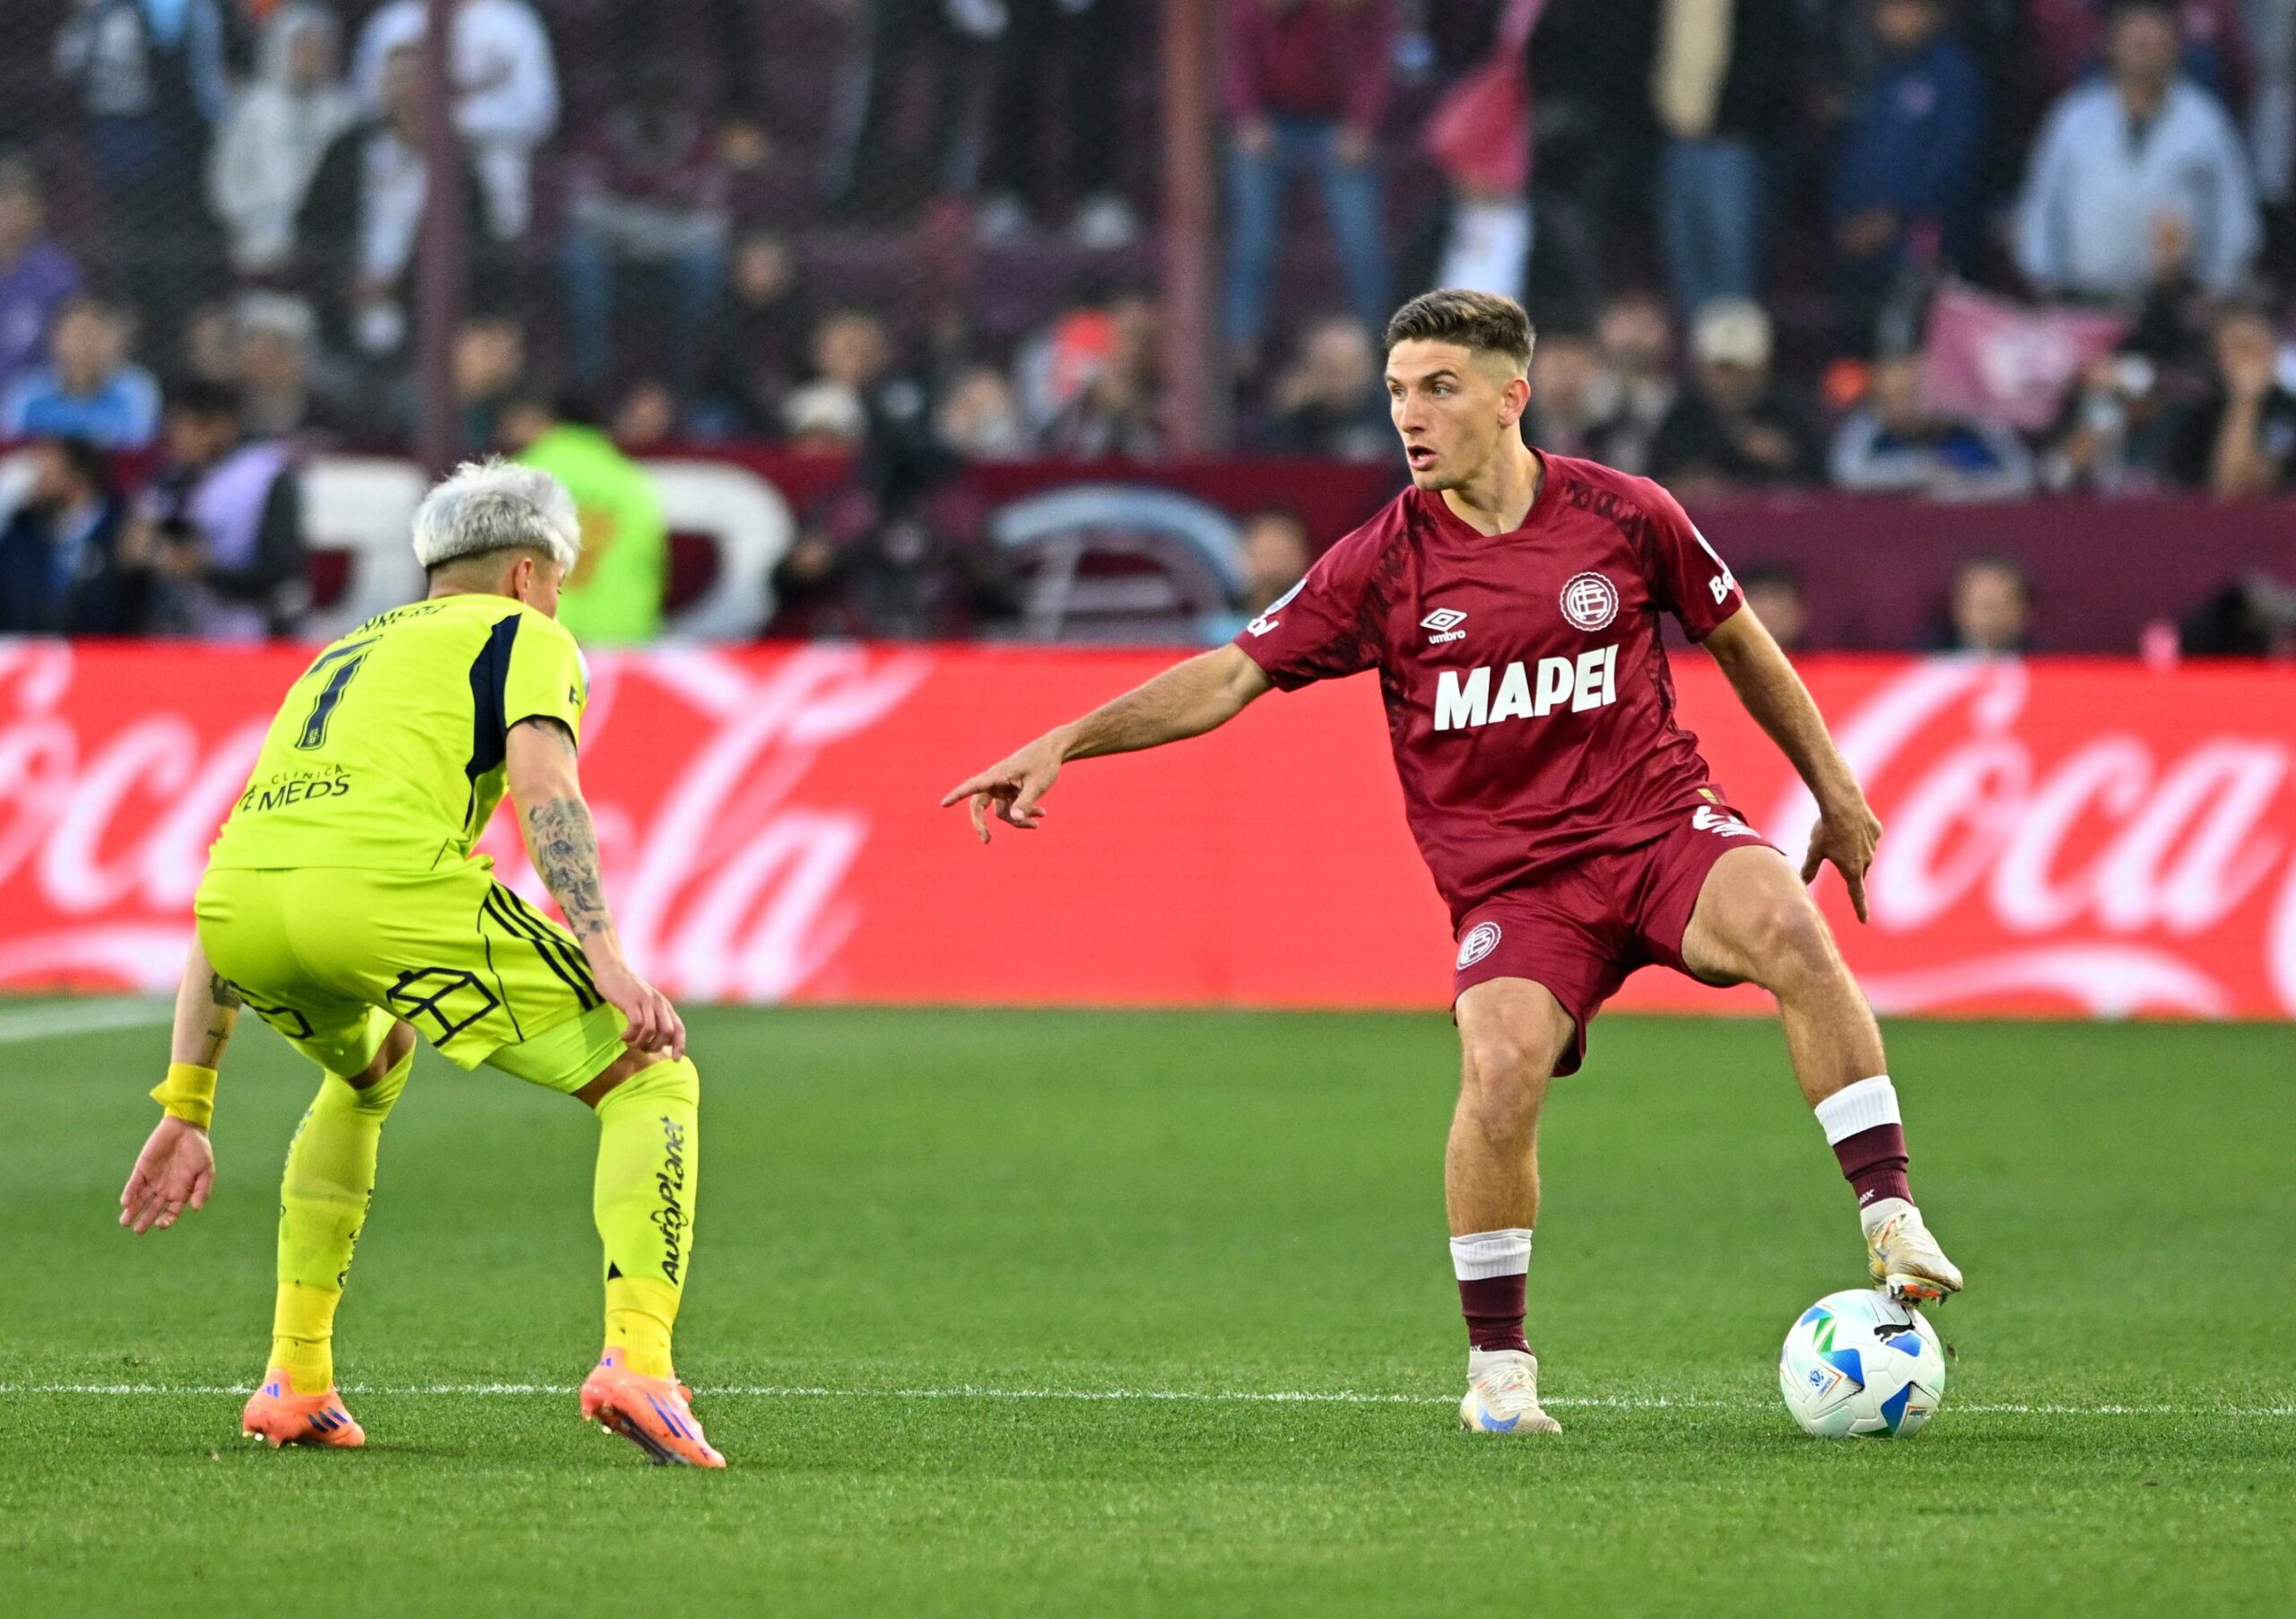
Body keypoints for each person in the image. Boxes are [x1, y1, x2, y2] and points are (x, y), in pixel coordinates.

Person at [942, 289, 1963, 1434]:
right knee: (1498, 1065)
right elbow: (1230, 674)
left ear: (1509, 397)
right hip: (1517, 889)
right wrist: (1068, 739)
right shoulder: (1382, 561)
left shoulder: (1625, 515)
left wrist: (1836, 788)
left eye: (1437, 388)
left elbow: (1741, 640)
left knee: (1786, 922)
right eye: (1394, 393)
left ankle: (1887, 1213)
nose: (1408, 417)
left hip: (1657, 828)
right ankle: (1498, 1371)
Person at [116, 460, 721, 1467]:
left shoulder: (338, 653)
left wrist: (189, 1102)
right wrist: (604, 955)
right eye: (557, 581)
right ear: (529, 574)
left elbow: (248, 860)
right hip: (383, 893)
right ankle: (640, 1363)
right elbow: (545, 783)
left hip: (242, 908)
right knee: (651, 1073)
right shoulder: (526, 633)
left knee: (371, 1064)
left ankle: (294, 1379)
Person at [2015, 0, 2261, 302]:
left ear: (2176, 43)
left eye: (2155, 33)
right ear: (2110, 43)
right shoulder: (2074, 119)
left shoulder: (2206, 123)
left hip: (2174, 305)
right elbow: (2040, 210)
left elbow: (2235, 220)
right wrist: (2045, 283)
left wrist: (2216, 290)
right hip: (2081, 302)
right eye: (2133, 35)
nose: (2144, 44)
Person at [296, 43, 506, 364]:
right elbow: (310, 227)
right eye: (400, 79)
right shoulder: (347, 151)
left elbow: (478, 253)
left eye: (420, 80)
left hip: (425, 337)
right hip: (337, 324)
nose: (409, 91)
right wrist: (343, 283)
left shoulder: (458, 166)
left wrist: (399, 289)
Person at [1222, 0, 1397, 365]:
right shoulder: (1247, 10)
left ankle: (1382, 345)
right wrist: (1247, 119)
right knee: (1254, 239)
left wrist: (1361, 127)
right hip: (1269, 122)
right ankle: (1241, 349)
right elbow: (1234, 66)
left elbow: (1374, 68)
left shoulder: (1360, 10)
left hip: (1337, 124)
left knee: (1361, 241)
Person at [52, 0, 229, 350]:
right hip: (159, 168)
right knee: (158, 281)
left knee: (145, 279)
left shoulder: (102, 15)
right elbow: (204, 95)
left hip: (126, 169)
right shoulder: (142, 12)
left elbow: (67, 68)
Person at [558, 57, 733, 392]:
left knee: (707, 261)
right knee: (579, 255)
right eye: (646, 104)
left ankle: (686, 375)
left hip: (674, 252)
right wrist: (656, 220)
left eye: (663, 104)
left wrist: (640, 222)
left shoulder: (699, 145)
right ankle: (591, 377)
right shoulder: (602, 139)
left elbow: (713, 223)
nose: (654, 113)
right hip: (614, 250)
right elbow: (582, 209)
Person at [1828, 0, 1985, 347]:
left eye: (1904, 8)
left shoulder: (1954, 75)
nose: (1893, 18)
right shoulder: (1875, 72)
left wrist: (1891, 217)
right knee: (1856, 357)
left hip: (1919, 252)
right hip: (1860, 251)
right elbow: (1855, 158)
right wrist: (1845, 218)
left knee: (1903, 350)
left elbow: (1953, 165)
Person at [351, 0, 559, 240]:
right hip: (399, 173)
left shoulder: (511, 21)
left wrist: (448, 119)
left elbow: (539, 112)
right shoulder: (393, 21)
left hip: (492, 181)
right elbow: (364, 103)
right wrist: (411, 116)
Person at [1651, 0, 1802, 317]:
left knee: (1733, 269)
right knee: (1686, 264)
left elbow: (1774, 54)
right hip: (1676, 141)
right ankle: (1699, 361)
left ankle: (1737, 360)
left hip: (1733, 144)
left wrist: (1741, 120)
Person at [129, 379, 307, 640]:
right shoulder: (168, 479)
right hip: (178, 636)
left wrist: (203, 571)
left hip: (248, 637)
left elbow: (279, 572)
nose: (177, 438)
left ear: (221, 426)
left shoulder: (266, 477)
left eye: (189, 426)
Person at [503, 390, 667, 646]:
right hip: (619, 643)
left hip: (538, 640)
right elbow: (653, 563)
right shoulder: (629, 480)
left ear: (547, 420)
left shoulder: (521, 475)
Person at [206, 3, 359, 279]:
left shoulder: (343, 112)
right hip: (256, 241)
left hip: (324, 246)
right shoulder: (252, 109)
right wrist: (253, 223)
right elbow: (226, 180)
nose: (309, 58)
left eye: (317, 49)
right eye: (301, 48)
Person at [1648, 298, 1824, 491]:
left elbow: (1822, 485)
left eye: (1743, 369)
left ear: (1763, 368)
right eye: (1722, 369)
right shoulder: (1680, 419)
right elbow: (1653, 485)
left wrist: (1785, 460)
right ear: (1699, 367)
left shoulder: (1789, 414)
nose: (1731, 381)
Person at [1830, 353, 2037, 499]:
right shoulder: (1876, 436)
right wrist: (1924, 471)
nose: (1908, 408)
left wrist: (1955, 486)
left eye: (1915, 395)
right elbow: (1846, 473)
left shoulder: (1972, 426)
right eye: (1893, 399)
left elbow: (2022, 476)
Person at [0, 435, 137, 634]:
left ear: (77, 472)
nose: (36, 477)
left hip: (106, 656)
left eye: (46, 469)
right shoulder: (21, 534)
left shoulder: (124, 529)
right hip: (31, 657)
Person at [2164, 302, 2296, 494]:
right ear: (2218, 356)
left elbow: (2250, 486)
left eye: (2254, 347)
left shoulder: (2287, 409)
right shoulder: (2193, 413)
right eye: (2238, 347)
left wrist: (2247, 401)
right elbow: (2223, 488)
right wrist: (2243, 401)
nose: (2247, 359)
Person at [0, 294, 161, 451]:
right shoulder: (26, 391)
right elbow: (9, 447)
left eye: (93, 333)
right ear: (55, 339)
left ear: (113, 340)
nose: (84, 344)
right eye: (77, 333)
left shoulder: (135, 389)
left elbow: (138, 451)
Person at [0, 155, 83, 398]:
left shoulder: (56, 274)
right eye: (6, 201)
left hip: (32, 404)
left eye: (21, 203)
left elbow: (70, 347)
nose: (13, 214)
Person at [1257, 312, 1389, 460]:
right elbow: (1266, 463)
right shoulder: (1296, 419)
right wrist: (1282, 411)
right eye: (1329, 368)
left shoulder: (1394, 414)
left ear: (1368, 368)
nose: (1340, 380)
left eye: (1349, 367)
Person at [1200, 506, 1313, 642]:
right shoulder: (1215, 632)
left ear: (1301, 557)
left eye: (1280, 553)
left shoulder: (1321, 630)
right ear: (1243, 556)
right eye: (1265, 553)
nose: (1272, 566)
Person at [1932, 553, 2032, 653]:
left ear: (2023, 610)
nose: (1991, 617)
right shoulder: (1927, 660)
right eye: (1985, 606)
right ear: (1960, 608)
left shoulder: (2043, 658)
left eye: (2001, 606)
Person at [1739, 562, 1809, 654]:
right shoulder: (1715, 666)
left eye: (1778, 597)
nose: (1769, 609)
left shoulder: (1830, 666)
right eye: (1759, 597)